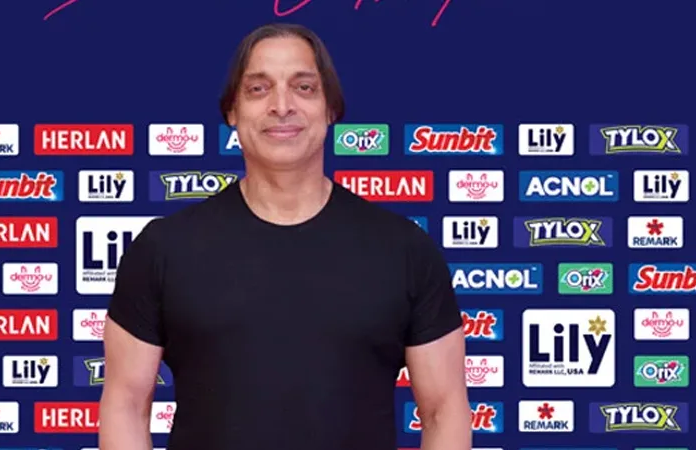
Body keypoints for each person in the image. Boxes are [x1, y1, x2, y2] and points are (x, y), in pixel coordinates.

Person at [99, 23, 471, 450]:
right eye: (258, 89)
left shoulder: (405, 249)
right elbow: (126, 404)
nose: (281, 106)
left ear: (331, 108)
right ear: (232, 111)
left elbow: (443, 410)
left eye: (303, 87)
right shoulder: (163, 248)